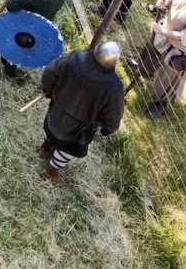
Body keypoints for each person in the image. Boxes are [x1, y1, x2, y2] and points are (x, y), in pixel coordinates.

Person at [38, 42, 126, 184]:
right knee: (68, 148)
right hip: (77, 129)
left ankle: (45, 149)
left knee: (54, 131)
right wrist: (108, 129)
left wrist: (48, 89)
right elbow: (113, 114)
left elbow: (50, 71)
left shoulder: (74, 58)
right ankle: (50, 172)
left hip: (57, 111)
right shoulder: (114, 88)